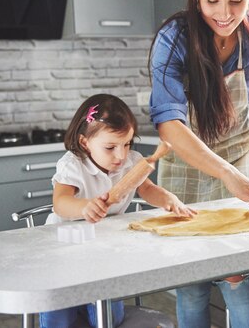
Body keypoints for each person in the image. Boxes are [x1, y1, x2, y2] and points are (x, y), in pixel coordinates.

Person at [148, 0, 249, 328]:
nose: (224, 14)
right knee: (192, 284)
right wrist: (228, 174)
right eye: (212, 1)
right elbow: (169, 124)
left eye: (237, 1)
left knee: (238, 277)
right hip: (187, 163)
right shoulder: (174, 39)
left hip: (242, 160)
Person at [40, 93, 195, 328]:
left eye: (127, 144)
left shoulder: (132, 161)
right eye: (110, 147)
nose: (121, 155)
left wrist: (167, 198)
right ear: (85, 143)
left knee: (110, 317)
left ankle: (88, 305)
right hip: (65, 251)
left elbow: (146, 188)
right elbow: (60, 202)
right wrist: (85, 207)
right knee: (60, 319)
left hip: (105, 251)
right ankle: (74, 306)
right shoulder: (73, 165)